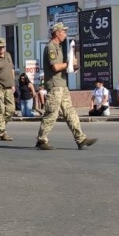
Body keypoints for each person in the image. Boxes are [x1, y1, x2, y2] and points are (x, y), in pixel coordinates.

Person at [36, 22, 97, 150]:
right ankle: (41, 140)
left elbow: (62, 67)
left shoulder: (59, 47)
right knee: (52, 113)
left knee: (70, 112)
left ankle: (80, 139)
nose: (65, 34)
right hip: (54, 85)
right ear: (57, 33)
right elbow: (55, 67)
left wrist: (72, 66)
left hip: (62, 85)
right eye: (63, 31)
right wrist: (68, 64)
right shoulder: (51, 47)